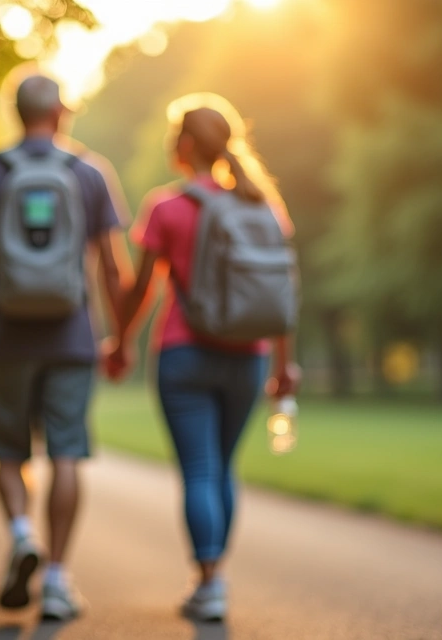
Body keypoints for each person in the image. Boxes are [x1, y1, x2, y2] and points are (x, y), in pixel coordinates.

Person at [104, 92, 301, 621]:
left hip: (184, 353)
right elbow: (278, 289)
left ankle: (209, 580)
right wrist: (285, 363)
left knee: (199, 469)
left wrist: (120, 342)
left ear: (185, 145)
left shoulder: (168, 206)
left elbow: (142, 288)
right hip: (249, 355)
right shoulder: (263, 204)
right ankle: (213, 579)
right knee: (223, 469)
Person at [0, 74, 130, 620]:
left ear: (16, 112)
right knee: (67, 452)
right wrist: (120, 336)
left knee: (7, 450)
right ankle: (55, 579)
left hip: (7, 333)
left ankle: (23, 535)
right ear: (62, 113)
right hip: (72, 336)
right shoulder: (89, 173)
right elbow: (113, 265)